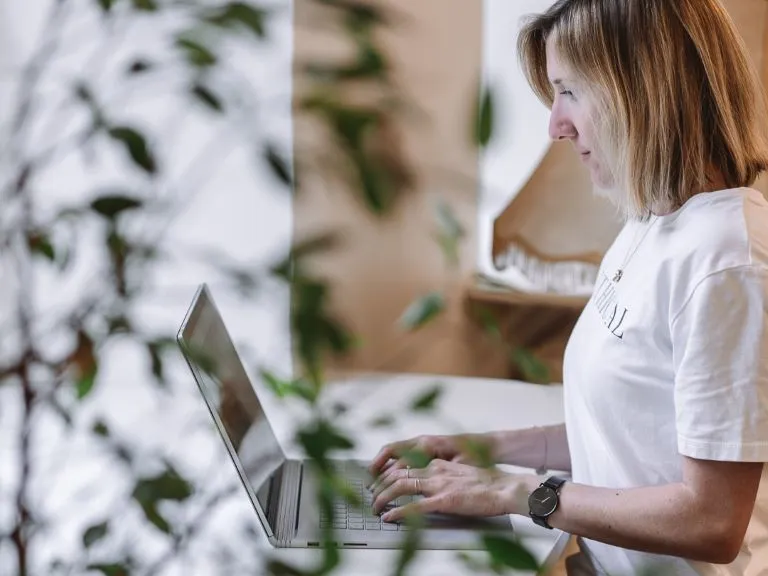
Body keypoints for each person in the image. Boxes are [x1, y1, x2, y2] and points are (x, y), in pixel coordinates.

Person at [367, 0, 768, 574]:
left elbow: (710, 521)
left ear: (643, 90)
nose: (556, 124)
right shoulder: (651, 224)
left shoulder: (728, 261)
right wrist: (481, 451)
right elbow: (622, 436)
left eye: (570, 91)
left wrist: (518, 493)